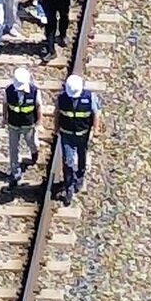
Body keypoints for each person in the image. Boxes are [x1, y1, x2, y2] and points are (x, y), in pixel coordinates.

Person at [56, 73, 99, 205]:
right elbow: (56, 113)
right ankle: (69, 186)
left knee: (82, 155)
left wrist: (95, 130)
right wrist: (56, 128)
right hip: (67, 135)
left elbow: (96, 113)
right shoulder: (61, 98)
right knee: (68, 161)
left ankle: (80, 176)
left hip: (83, 135)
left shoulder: (90, 98)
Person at [4, 67, 42, 189]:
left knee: (31, 143)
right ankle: (15, 173)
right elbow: (5, 105)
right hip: (13, 124)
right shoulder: (9, 91)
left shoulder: (34, 91)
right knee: (13, 150)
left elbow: (38, 106)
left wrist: (39, 122)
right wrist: (4, 118)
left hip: (28, 124)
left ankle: (34, 153)